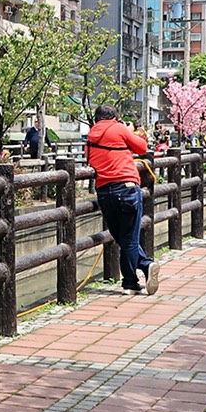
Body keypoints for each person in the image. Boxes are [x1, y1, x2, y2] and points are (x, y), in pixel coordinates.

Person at [85, 104, 160, 295]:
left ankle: (134, 278)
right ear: (115, 117)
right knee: (130, 239)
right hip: (126, 188)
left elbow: (88, 159)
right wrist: (131, 132)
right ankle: (139, 271)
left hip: (104, 191)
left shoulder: (91, 135)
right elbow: (142, 148)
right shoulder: (119, 128)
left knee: (120, 236)